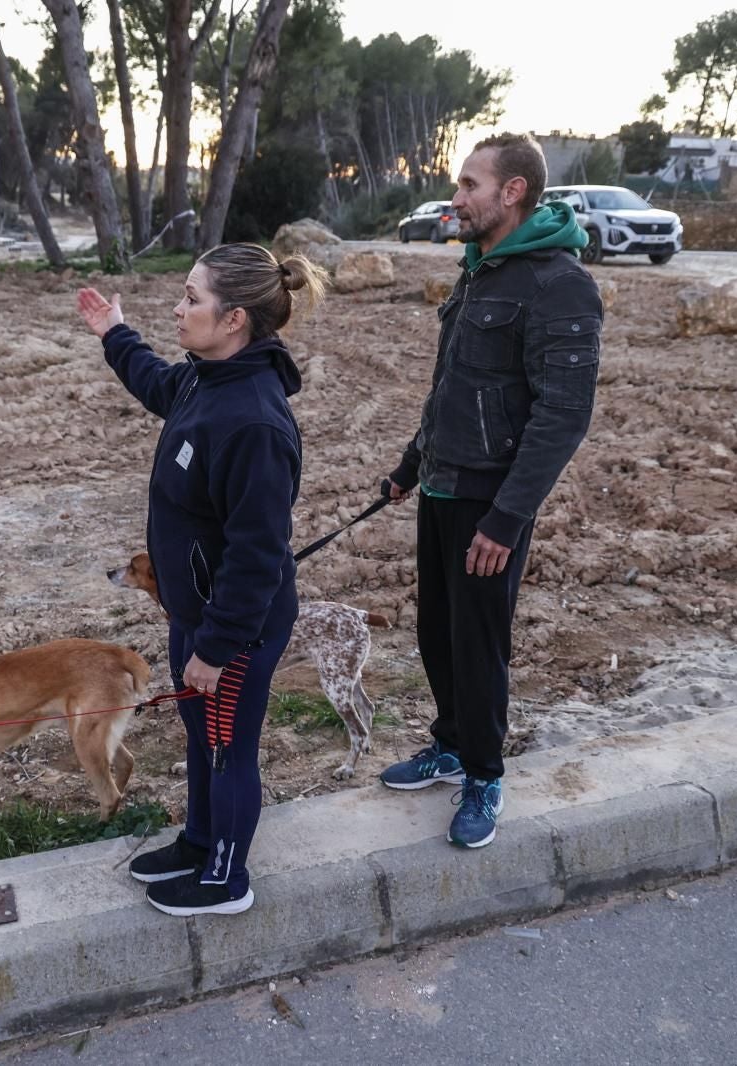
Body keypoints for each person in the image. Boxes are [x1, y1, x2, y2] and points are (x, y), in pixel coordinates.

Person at [76, 243, 326, 916]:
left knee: (227, 747)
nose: (178, 309)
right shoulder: (204, 379)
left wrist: (216, 648)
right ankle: (198, 842)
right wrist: (114, 335)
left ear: (235, 319)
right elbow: (158, 384)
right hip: (196, 612)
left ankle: (225, 880)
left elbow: (258, 554)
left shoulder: (254, 419)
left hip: (234, 626)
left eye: (192, 299)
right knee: (200, 730)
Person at [379, 132, 603, 849]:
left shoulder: (558, 282)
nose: (458, 195)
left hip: (491, 502)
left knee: (479, 644)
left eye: (471, 184)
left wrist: (507, 519)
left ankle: (483, 772)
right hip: (443, 486)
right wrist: (411, 465)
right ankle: (449, 743)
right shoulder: (480, 268)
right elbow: (454, 388)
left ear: (513, 192)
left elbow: (563, 415)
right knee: (437, 633)